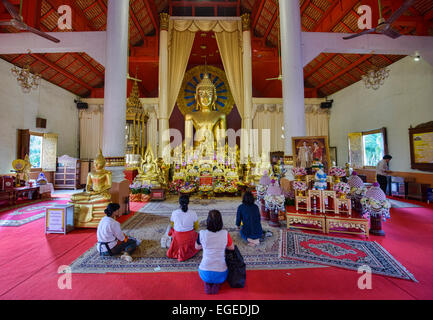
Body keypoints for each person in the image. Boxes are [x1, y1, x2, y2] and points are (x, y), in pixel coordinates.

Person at [195, 210, 235, 294]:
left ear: (207, 222)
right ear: (221, 222)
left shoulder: (202, 233)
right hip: (221, 272)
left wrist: (206, 244)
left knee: (207, 275)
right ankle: (217, 284)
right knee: (219, 276)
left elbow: (197, 247)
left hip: (204, 271)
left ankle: (207, 282)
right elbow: (231, 248)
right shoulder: (225, 234)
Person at [167, 195, 200, 262]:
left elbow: (172, 225)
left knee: (171, 230)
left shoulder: (174, 213)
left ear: (179, 202)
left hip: (178, 236)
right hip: (190, 236)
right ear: (188, 202)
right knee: (198, 235)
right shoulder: (193, 213)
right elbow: (196, 227)